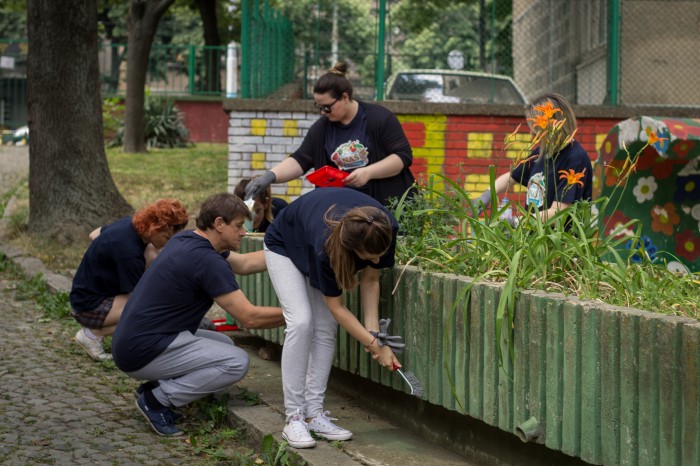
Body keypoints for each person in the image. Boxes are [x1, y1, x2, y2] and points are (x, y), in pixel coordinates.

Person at [111, 192, 284, 437]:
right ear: (219, 224)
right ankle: (157, 400)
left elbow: (245, 263)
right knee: (235, 362)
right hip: (141, 351)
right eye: (238, 226)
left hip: (131, 340)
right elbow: (250, 318)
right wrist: (295, 314)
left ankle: (156, 383)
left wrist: (289, 255)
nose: (244, 232)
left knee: (223, 343)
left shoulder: (186, 239)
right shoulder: (208, 261)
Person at [263, 187, 401, 449]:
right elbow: (337, 308)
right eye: (368, 256)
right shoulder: (326, 247)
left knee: (325, 328)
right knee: (302, 322)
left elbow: (370, 280)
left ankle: (314, 414)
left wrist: (373, 334)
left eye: (380, 254)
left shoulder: (383, 228)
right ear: (350, 248)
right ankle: (293, 417)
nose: (377, 259)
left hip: (312, 233)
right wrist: (375, 347)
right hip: (285, 243)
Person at [245, 61, 415, 208]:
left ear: (344, 97)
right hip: (341, 209)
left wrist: (368, 172)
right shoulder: (321, 129)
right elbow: (300, 159)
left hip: (383, 207)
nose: (323, 113)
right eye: (318, 107)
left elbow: (402, 156)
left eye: (327, 107)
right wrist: (269, 177)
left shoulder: (379, 118)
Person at [70, 199, 189, 361]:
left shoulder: (129, 224)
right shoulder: (129, 253)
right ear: (154, 228)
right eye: (167, 238)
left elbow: (95, 233)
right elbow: (140, 298)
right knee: (151, 314)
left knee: (152, 252)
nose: (168, 244)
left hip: (84, 292)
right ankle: (92, 334)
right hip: (88, 305)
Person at [475, 93, 593, 221]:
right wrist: (486, 195)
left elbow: (559, 213)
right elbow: (511, 177)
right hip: (533, 234)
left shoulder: (575, 158)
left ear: (553, 124)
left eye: (536, 127)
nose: (532, 133)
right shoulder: (541, 152)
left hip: (561, 239)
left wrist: (516, 222)